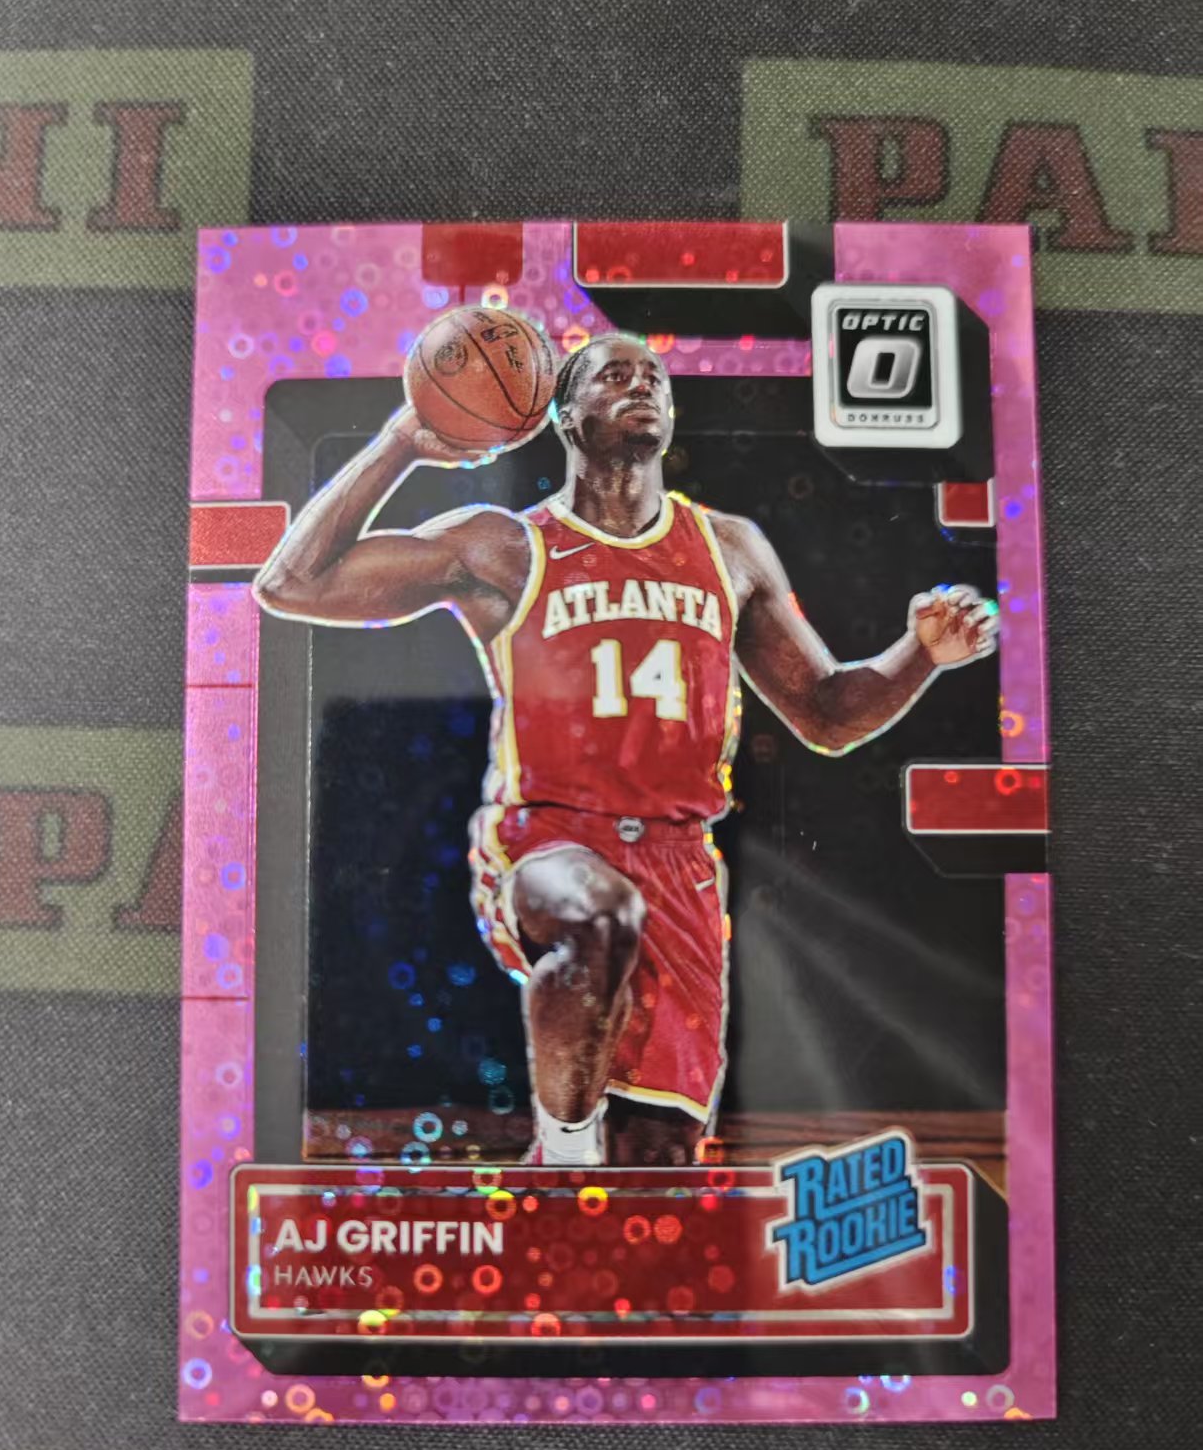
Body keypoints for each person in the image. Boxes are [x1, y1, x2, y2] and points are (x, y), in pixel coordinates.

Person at [254, 332, 998, 1166]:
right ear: (564, 414)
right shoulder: (503, 546)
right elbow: (291, 584)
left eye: (654, 379)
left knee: (658, 1165)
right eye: (614, 376)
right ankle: (565, 1145)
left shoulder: (727, 548)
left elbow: (827, 716)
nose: (642, 386)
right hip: (548, 838)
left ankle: (558, 1182)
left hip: (681, 863)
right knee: (596, 916)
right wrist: (400, 442)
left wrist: (920, 654)